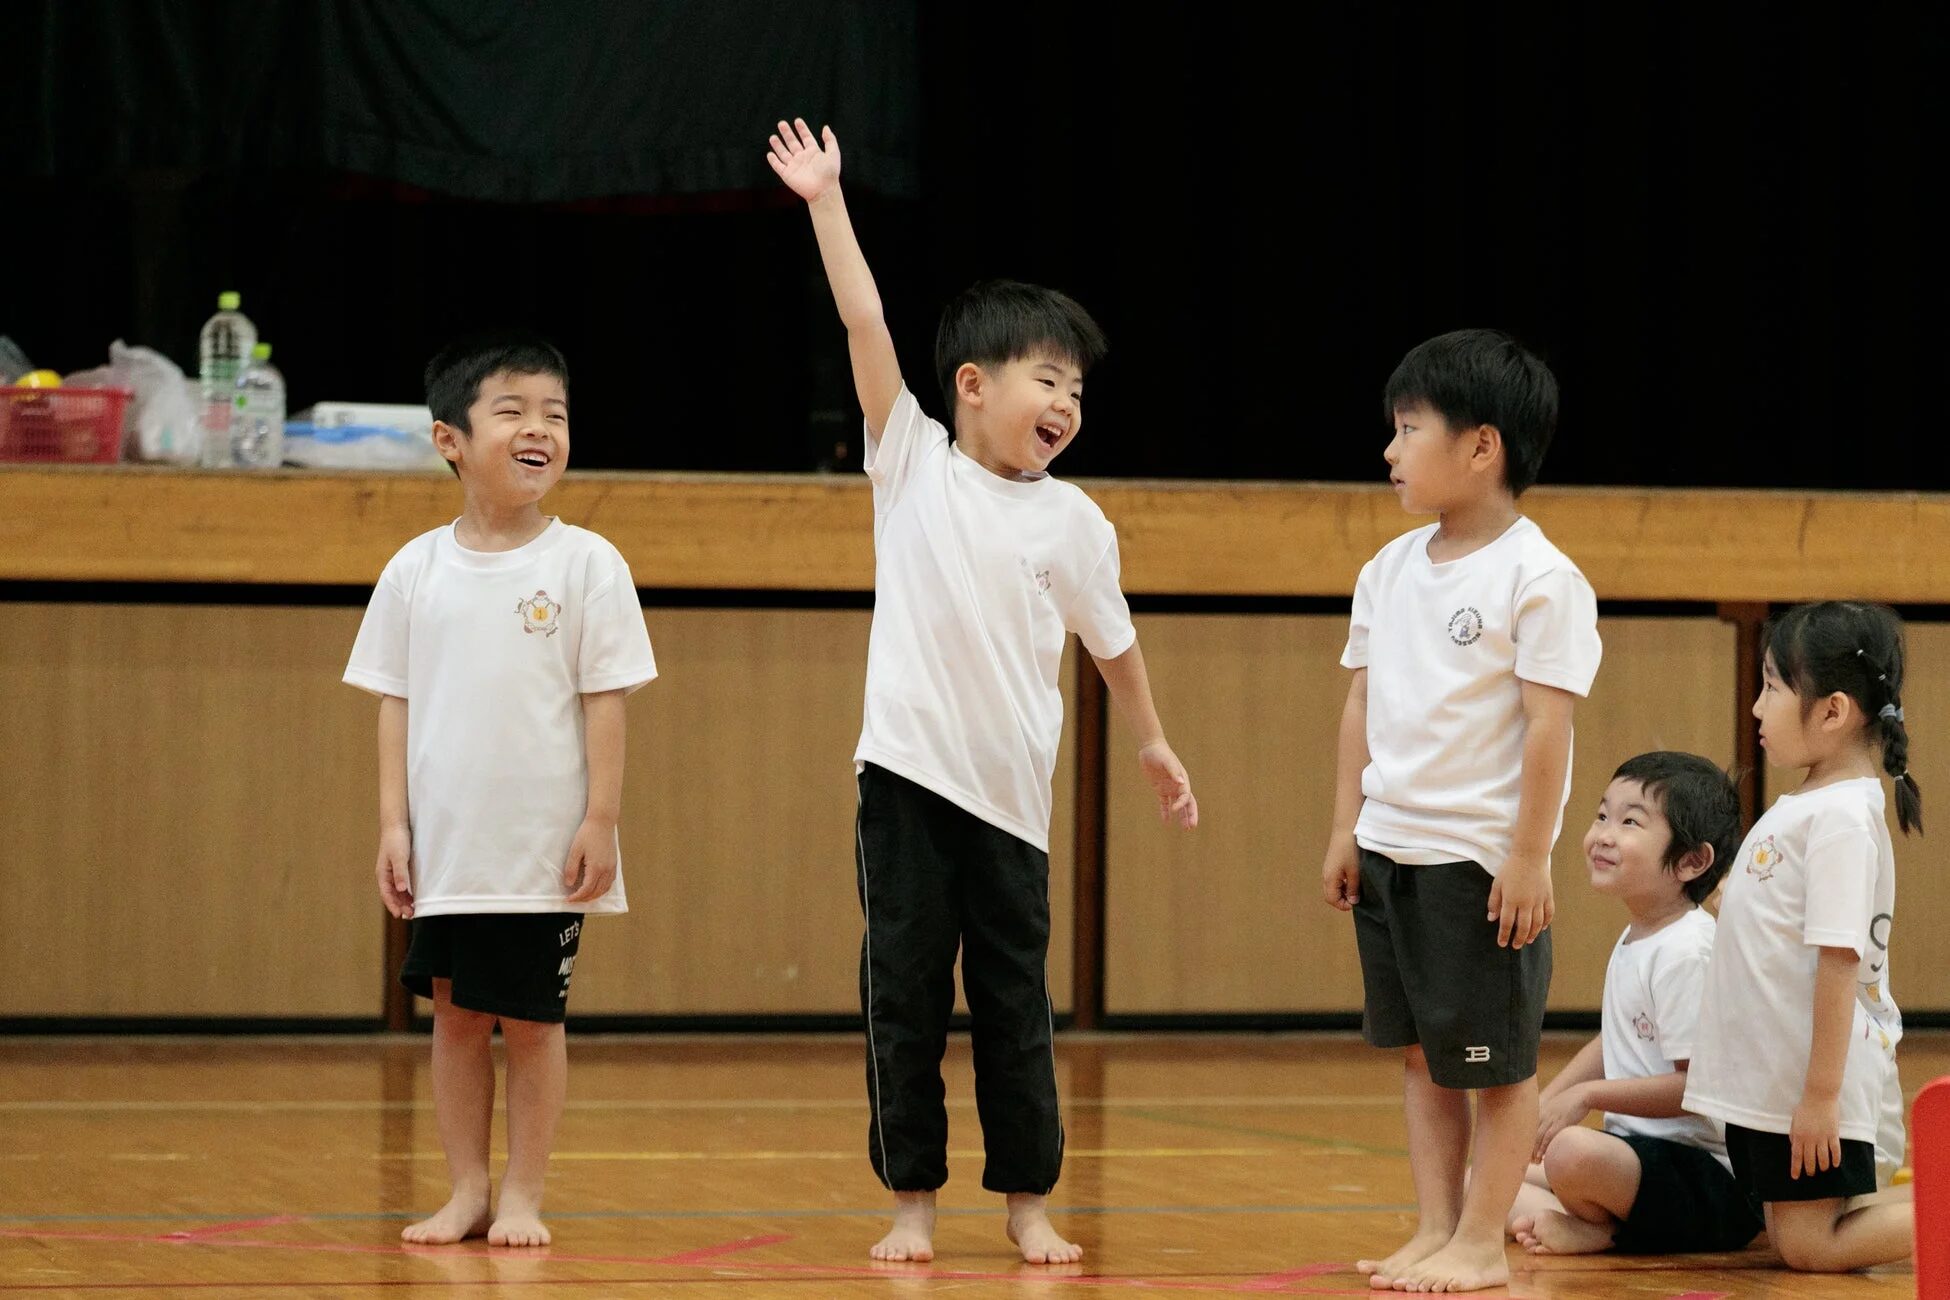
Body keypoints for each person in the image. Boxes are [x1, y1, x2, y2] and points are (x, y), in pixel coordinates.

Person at [768, 117, 1198, 1265]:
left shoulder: (1076, 520)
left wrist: (1153, 740)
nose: (1066, 402)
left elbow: (1112, 642)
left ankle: (1028, 1203)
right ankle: (911, 1200)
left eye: (1077, 389)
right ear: (971, 384)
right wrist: (826, 201)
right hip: (905, 786)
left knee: (1015, 1005)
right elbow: (864, 322)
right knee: (903, 995)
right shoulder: (910, 461)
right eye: (1046, 378)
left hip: (1013, 806)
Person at [344, 331, 657, 1247]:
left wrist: (601, 819)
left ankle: (523, 1194)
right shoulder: (414, 569)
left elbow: (606, 700)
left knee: (530, 1023)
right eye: (513, 411)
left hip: (540, 853)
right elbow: (395, 703)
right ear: (450, 439)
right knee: (454, 1018)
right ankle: (467, 1190)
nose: (539, 430)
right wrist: (393, 826)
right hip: (449, 850)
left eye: (555, 414)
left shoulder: (587, 563)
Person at [1321, 328, 1601, 1291]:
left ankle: (1483, 1241)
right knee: (1421, 1058)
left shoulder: (1540, 578)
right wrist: (1347, 828)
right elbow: (1361, 703)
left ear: (1482, 446)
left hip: (1478, 865)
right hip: (1390, 851)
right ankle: (1436, 1226)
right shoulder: (1389, 569)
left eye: (1409, 430)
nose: (1390, 451)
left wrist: (1528, 855)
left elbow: (1548, 728)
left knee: (1498, 1067)